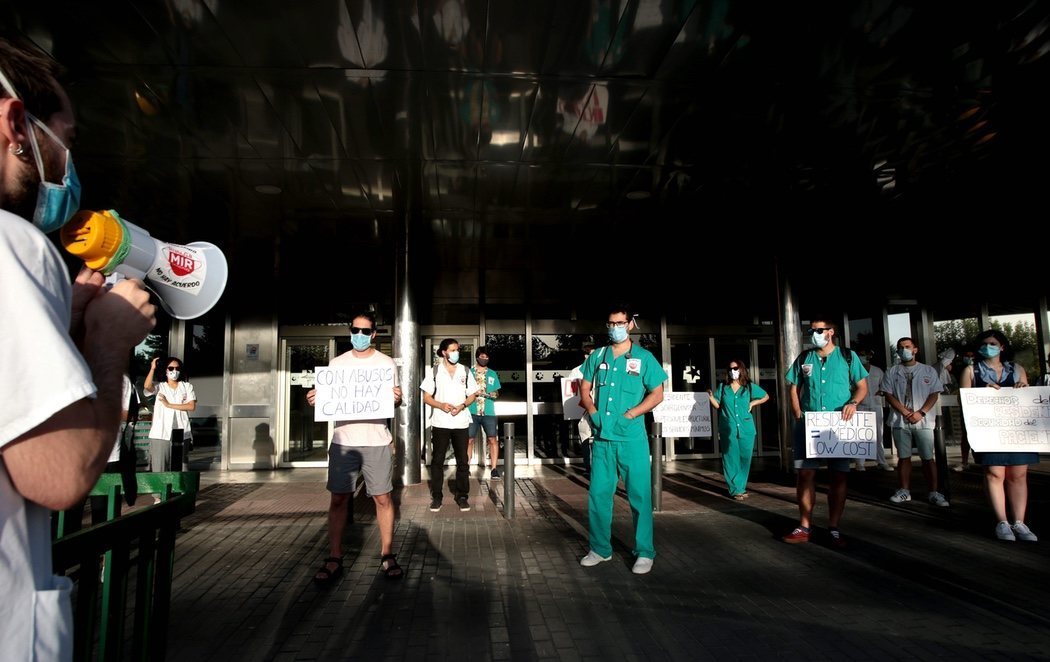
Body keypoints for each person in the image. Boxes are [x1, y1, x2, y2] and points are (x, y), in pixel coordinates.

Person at [0, 38, 155, 659]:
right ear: (17, 125)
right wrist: (109, 340)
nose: (68, 162)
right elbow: (60, 473)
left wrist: (62, 326)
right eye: (66, 137)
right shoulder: (13, 245)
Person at [306, 312, 404, 585]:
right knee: (339, 498)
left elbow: (394, 400)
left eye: (365, 331)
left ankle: (387, 554)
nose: (359, 335)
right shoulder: (337, 364)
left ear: (374, 334)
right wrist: (315, 398)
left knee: (383, 498)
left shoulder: (385, 363)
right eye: (355, 330)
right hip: (343, 441)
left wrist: (396, 399)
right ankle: (335, 556)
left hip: (377, 440)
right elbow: (327, 396)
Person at [578, 305, 666, 575]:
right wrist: (593, 412)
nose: (615, 328)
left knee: (639, 497)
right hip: (603, 439)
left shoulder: (644, 358)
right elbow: (584, 388)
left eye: (619, 323)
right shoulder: (598, 356)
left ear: (629, 325)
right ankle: (600, 549)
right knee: (598, 496)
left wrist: (631, 414)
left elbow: (657, 394)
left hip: (632, 440)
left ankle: (645, 552)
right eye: (611, 323)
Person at [783, 318, 868, 549]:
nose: (814, 334)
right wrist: (797, 413)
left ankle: (833, 528)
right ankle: (804, 526)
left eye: (819, 330)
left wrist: (853, 402)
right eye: (811, 330)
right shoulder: (804, 358)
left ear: (831, 332)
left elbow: (862, 387)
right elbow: (794, 387)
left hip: (839, 425)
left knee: (839, 475)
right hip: (808, 424)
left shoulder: (848, 357)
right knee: (805, 474)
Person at [959, 329, 1038, 541]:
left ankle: (1019, 522)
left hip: (1017, 430)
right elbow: (964, 402)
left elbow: (1028, 397)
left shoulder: (1017, 369)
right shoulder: (971, 371)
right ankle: (1002, 522)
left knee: (1018, 475)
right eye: (984, 344)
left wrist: (1023, 388)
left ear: (1002, 347)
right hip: (989, 431)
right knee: (995, 474)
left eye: (993, 343)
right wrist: (982, 393)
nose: (988, 347)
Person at [881, 337, 949, 507]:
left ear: (915, 350)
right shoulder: (892, 371)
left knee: (928, 457)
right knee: (904, 457)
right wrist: (904, 411)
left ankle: (934, 492)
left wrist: (921, 412)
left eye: (907, 346)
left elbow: (934, 393)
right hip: (900, 421)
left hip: (923, 421)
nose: (904, 350)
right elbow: (888, 394)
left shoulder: (928, 370)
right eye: (900, 347)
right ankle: (904, 491)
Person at [421, 338, 478, 512]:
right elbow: (426, 397)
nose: (456, 353)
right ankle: (437, 497)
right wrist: (441, 405)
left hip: (461, 422)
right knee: (437, 461)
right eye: (453, 350)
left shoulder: (465, 370)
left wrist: (462, 405)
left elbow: (472, 394)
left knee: (463, 461)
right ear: (444, 352)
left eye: (457, 349)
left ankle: (462, 496)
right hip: (441, 422)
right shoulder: (434, 371)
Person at [707, 359, 769, 499]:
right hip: (728, 429)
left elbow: (766, 396)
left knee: (745, 459)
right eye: (730, 369)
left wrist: (753, 402)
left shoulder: (749, 387)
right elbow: (718, 405)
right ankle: (735, 490)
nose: (732, 371)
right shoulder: (723, 387)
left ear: (741, 369)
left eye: (735, 368)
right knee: (730, 458)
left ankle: (740, 487)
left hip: (747, 429)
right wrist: (710, 397)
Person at [143, 356, 196, 471]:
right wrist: (152, 368)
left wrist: (169, 405)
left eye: (177, 368)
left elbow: (191, 406)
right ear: (165, 370)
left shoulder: (186, 386)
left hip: (181, 432)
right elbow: (147, 386)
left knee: (180, 468)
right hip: (161, 433)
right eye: (171, 368)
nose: (174, 371)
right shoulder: (160, 386)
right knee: (160, 468)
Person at [854, 348, 893, 472]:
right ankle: (860, 463)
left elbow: (885, 386)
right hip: (860, 406)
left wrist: (881, 392)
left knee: (878, 435)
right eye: (860, 354)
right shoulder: (854, 370)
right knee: (860, 434)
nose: (862, 357)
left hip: (876, 405)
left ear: (869, 356)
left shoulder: (877, 371)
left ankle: (881, 461)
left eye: (864, 355)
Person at [468, 345, 502, 479]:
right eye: (482, 356)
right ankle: (466, 467)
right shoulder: (469, 373)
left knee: (492, 439)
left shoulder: (492, 373)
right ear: (477, 357)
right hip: (471, 411)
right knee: (469, 440)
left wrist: (486, 393)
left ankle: (494, 468)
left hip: (488, 412)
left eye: (487, 357)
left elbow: (496, 393)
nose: (485, 359)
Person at [569, 343, 597, 474]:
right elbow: (571, 393)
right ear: (586, 356)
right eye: (592, 354)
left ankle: (599, 467)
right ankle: (589, 467)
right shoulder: (576, 371)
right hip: (583, 411)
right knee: (585, 438)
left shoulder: (602, 369)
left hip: (599, 410)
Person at [952, 348, 977, 472]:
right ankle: (965, 461)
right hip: (967, 407)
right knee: (966, 435)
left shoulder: (980, 370)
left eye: (972, 355)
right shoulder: (961, 369)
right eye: (967, 355)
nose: (970, 358)